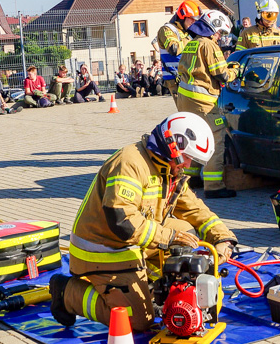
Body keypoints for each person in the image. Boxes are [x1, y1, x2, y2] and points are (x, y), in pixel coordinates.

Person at [47, 111, 238, 330]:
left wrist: (223, 238)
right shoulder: (130, 163)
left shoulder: (168, 169)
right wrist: (170, 237)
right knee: (138, 320)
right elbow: (123, 221)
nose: (188, 165)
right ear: (173, 146)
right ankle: (67, 292)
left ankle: (152, 285)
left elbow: (195, 209)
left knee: (187, 232)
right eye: (187, 158)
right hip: (104, 250)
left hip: (132, 243)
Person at [176, 10, 239, 199]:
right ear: (212, 28)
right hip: (203, 102)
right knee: (216, 138)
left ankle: (191, 179)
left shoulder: (192, 44)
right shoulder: (209, 45)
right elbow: (222, 74)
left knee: (193, 138)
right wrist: (235, 69)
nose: (219, 37)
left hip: (185, 100)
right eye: (219, 33)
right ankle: (214, 186)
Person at [155, 1, 201, 103]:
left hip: (189, 77)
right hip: (175, 79)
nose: (194, 22)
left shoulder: (186, 32)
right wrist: (190, 40)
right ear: (182, 16)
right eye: (192, 19)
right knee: (186, 110)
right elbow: (173, 49)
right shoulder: (167, 30)